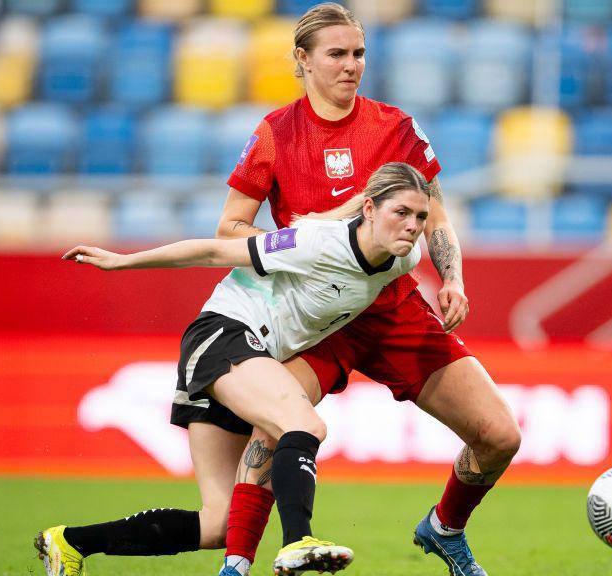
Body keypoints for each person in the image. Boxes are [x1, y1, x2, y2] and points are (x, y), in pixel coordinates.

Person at [39, 5, 520, 576]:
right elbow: (228, 232)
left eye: (359, 53)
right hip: (310, 315)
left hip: (391, 310)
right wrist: (301, 244)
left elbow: (434, 217)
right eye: (337, 54)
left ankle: (443, 529)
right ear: (303, 59)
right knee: (277, 432)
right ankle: (241, 563)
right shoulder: (276, 134)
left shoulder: (395, 128)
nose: (351, 65)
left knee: (498, 435)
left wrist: (454, 279)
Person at [37, 163, 431, 576]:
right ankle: (298, 541)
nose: (412, 225)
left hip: (245, 359)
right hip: (223, 336)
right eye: (401, 212)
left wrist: (451, 282)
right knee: (304, 425)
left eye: (420, 216)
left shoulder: (403, 260)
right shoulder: (316, 242)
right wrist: (123, 261)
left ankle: (71, 542)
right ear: (369, 209)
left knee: (219, 523)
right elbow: (213, 250)